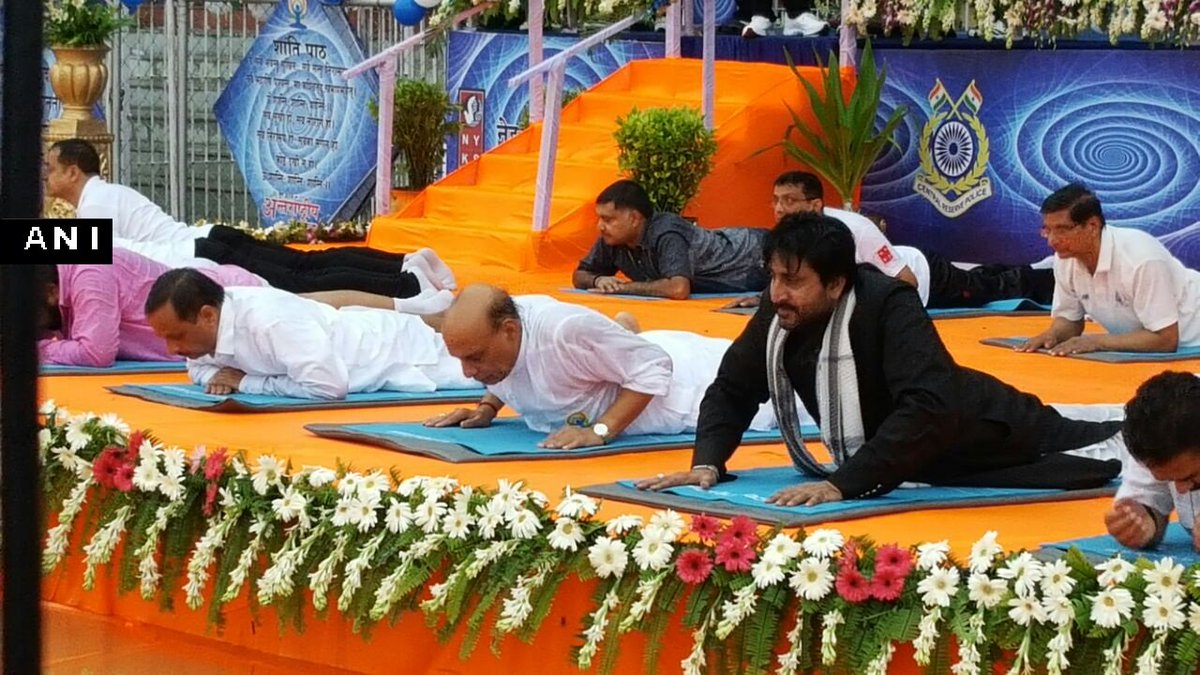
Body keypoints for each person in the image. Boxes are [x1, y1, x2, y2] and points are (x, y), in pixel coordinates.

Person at [637, 212, 1124, 504]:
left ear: (836, 283)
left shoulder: (888, 303)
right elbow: (733, 388)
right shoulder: (778, 306)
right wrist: (708, 463)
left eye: (793, 281)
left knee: (1116, 450)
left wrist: (845, 483)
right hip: (909, 457)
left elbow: (928, 405)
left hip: (995, 430)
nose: (778, 293)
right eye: (774, 278)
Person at [43, 138, 455, 298]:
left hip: (203, 253)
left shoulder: (96, 203)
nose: (46, 176)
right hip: (207, 238)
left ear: (73, 171)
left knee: (302, 279)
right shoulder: (106, 195)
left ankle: (404, 282)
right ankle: (404, 263)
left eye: (51, 168)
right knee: (308, 266)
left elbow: (74, 255)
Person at [425, 284, 781, 449]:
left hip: (692, 385)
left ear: (509, 331)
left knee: (796, 397)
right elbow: (511, 369)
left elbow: (655, 366)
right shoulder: (502, 329)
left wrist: (599, 431)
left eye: (474, 358)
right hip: (610, 360)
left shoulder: (563, 330)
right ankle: (623, 329)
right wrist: (487, 407)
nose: (467, 373)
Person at [726, 171, 1055, 309]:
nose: (780, 209)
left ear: (815, 205)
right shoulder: (785, 237)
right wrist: (762, 299)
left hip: (927, 277)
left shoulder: (854, 229)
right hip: (899, 277)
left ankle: (1052, 278)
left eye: (789, 201)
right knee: (987, 276)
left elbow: (906, 282)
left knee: (998, 287)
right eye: (776, 200)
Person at [143, 268, 477, 399]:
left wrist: (246, 382)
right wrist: (219, 375)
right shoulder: (205, 327)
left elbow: (329, 387)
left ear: (207, 317)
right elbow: (197, 368)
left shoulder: (269, 323)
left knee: (491, 371)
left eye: (177, 337)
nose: (171, 350)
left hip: (401, 352)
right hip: (340, 329)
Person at [1018, 183, 1200, 355]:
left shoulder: (1141, 258)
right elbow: (1070, 319)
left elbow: (1166, 340)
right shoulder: (1065, 257)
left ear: (1092, 226)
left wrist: (1096, 342)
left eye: (1062, 230)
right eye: (1047, 230)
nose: (1052, 241)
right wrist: (1053, 335)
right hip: (1148, 346)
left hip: (1191, 341)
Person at [36, 249, 265, 367]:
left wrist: (33, 350)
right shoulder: (66, 274)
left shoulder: (91, 272)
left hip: (246, 311)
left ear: (50, 292)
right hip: (215, 345)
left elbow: (96, 353)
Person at [572, 180, 769, 299]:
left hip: (755, 253)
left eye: (607, 219)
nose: (600, 226)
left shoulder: (666, 232)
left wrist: (621, 288)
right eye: (599, 218)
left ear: (633, 218)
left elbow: (678, 288)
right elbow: (580, 274)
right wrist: (598, 280)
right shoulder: (613, 237)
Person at [1104, 371, 1200, 551]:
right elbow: (1149, 499)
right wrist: (1145, 521)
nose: (1180, 489)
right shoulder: (1152, 438)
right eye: (1169, 479)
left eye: (1189, 477)